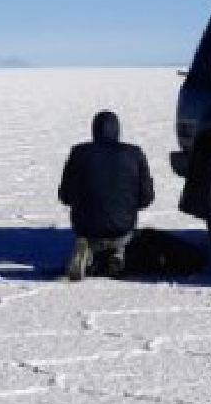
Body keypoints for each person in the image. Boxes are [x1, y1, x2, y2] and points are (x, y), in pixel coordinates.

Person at [57, 110, 154, 280]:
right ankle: (118, 255)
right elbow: (146, 198)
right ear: (117, 130)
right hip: (122, 228)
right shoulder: (134, 153)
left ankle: (87, 251)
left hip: (86, 227)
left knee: (88, 234)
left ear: (94, 130)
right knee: (123, 236)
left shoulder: (78, 152)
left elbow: (65, 195)